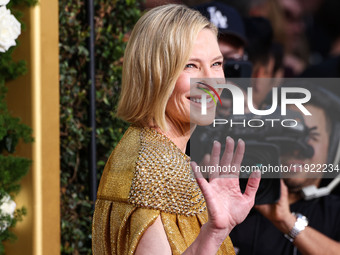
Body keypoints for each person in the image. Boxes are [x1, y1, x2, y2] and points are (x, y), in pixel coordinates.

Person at [92, 4, 261, 254]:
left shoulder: (145, 150)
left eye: (216, 64)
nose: (212, 81)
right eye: (190, 66)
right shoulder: (156, 168)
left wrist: (214, 233)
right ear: (154, 73)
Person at [230, 85, 340, 255]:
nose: (296, 148)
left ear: (332, 149)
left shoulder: (335, 213)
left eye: (310, 137)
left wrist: (288, 222)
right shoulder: (231, 198)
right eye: (287, 133)